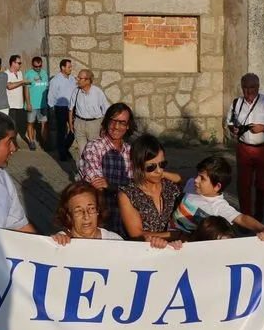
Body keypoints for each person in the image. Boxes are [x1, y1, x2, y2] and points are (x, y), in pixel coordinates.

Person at [171, 156, 264, 240]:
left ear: (217, 186)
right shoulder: (193, 186)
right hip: (168, 228)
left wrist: (262, 228)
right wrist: (164, 174)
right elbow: (181, 179)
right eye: (197, 175)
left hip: (183, 243)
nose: (196, 180)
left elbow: (242, 219)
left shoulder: (219, 207)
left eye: (202, 178)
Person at [227, 73, 264, 220]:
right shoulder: (236, 103)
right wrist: (234, 129)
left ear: (258, 87)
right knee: (243, 185)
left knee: (263, 186)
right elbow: (230, 122)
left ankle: (259, 216)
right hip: (244, 149)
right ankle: (246, 217)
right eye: (245, 87)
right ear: (242, 87)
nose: (248, 91)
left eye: (252, 87)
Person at [77, 103, 136, 237]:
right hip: (98, 223)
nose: (116, 127)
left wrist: (111, 186)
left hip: (125, 222)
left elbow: (137, 189)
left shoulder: (131, 152)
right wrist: (123, 189)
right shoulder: (94, 147)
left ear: (128, 126)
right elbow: (96, 185)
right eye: (113, 121)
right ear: (107, 121)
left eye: (122, 123)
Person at [118, 135, 182, 242]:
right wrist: (176, 235)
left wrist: (163, 174)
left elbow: (188, 181)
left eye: (162, 164)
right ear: (137, 165)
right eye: (151, 167)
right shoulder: (128, 194)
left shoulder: (171, 187)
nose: (159, 171)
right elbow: (137, 234)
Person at [50, 181, 123, 242]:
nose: (86, 216)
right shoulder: (61, 242)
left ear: (98, 210)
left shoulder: (114, 241)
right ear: (69, 216)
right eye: (78, 211)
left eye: (91, 208)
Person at [69, 69, 109, 158]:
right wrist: (71, 124)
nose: (78, 80)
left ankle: (94, 166)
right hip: (79, 123)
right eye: (78, 78)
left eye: (80, 78)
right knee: (81, 151)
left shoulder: (97, 92)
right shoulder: (76, 91)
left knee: (94, 150)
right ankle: (83, 166)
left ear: (88, 80)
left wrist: (104, 126)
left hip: (94, 124)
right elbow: (71, 108)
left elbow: (106, 109)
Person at [47, 59, 77, 161]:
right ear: (63, 67)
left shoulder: (72, 79)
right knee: (62, 131)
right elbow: (51, 95)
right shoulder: (55, 80)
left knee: (74, 130)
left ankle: (65, 148)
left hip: (72, 108)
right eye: (69, 67)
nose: (71, 69)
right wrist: (52, 108)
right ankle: (62, 154)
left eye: (71, 67)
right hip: (61, 108)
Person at [23, 56, 49, 151]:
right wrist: (28, 104)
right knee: (30, 123)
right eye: (35, 66)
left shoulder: (44, 73)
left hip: (43, 104)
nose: (38, 68)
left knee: (44, 124)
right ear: (32, 65)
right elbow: (26, 90)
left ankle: (45, 142)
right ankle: (31, 141)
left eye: (39, 66)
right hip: (32, 104)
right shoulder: (28, 74)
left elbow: (46, 88)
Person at [5, 55, 30, 142]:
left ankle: (13, 142)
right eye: (19, 63)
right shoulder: (6, 73)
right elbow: (9, 86)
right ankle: (12, 142)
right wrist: (22, 81)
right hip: (11, 104)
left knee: (18, 125)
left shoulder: (20, 73)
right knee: (12, 125)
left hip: (20, 104)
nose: (20, 65)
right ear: (13, 63)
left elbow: (22, 85)